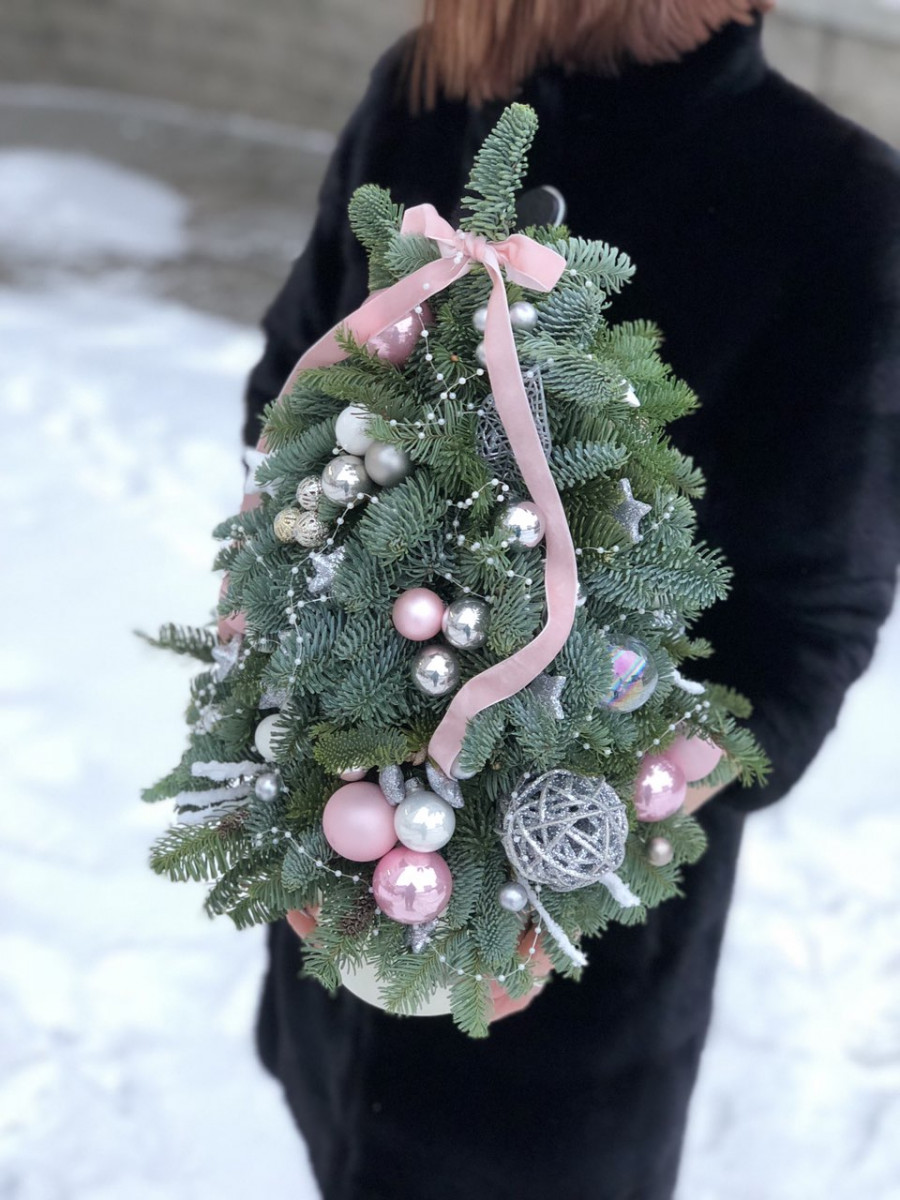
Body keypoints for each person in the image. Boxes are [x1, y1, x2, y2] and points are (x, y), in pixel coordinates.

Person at [244, 3, 900, 1196]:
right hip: (339, 935)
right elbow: (285, 393)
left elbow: (800, 633)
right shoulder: (428, 95)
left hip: (570, 1022)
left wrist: (601, 823)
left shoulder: (835, 202)